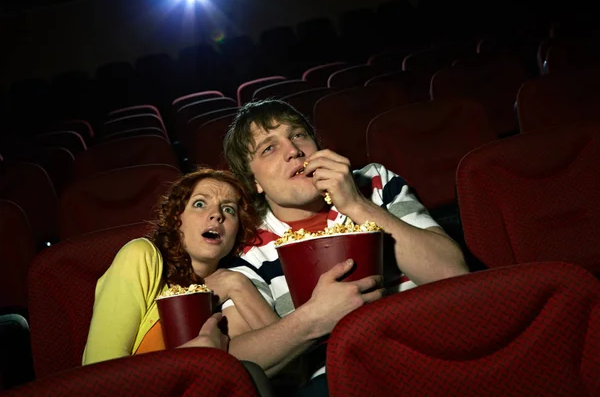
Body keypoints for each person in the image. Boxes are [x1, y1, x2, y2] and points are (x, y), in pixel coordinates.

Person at [220, 99, 469, 393]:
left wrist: (356, 205)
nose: (293, 151)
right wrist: (315, 319)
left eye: (298, 134)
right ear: (254, 182)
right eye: (269, 148)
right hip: (338, 381)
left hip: (431, 349)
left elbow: (454, 274)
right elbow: (238, 360)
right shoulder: (248, 246)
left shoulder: (373, 182)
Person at [83, 168, 279, 365]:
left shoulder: (236, 277)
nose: (216, 215)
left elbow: (292, 361)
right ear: (176, 219)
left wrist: (238, 284)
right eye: (200, 204)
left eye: (229, 209)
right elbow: (99, 371)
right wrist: (191, 355)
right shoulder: (141, 255)